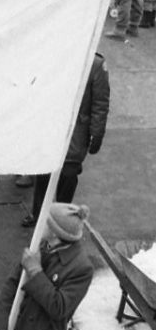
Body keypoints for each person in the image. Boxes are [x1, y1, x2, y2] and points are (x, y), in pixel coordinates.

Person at [23, 53, 110, 227]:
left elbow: (100, 105)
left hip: (76, 132)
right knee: (44, 173)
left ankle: (62, 219)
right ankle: (39, 215)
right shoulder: (57, 52)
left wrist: (96, 134)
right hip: (50, 126)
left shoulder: (96, 65)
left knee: (68, 175)